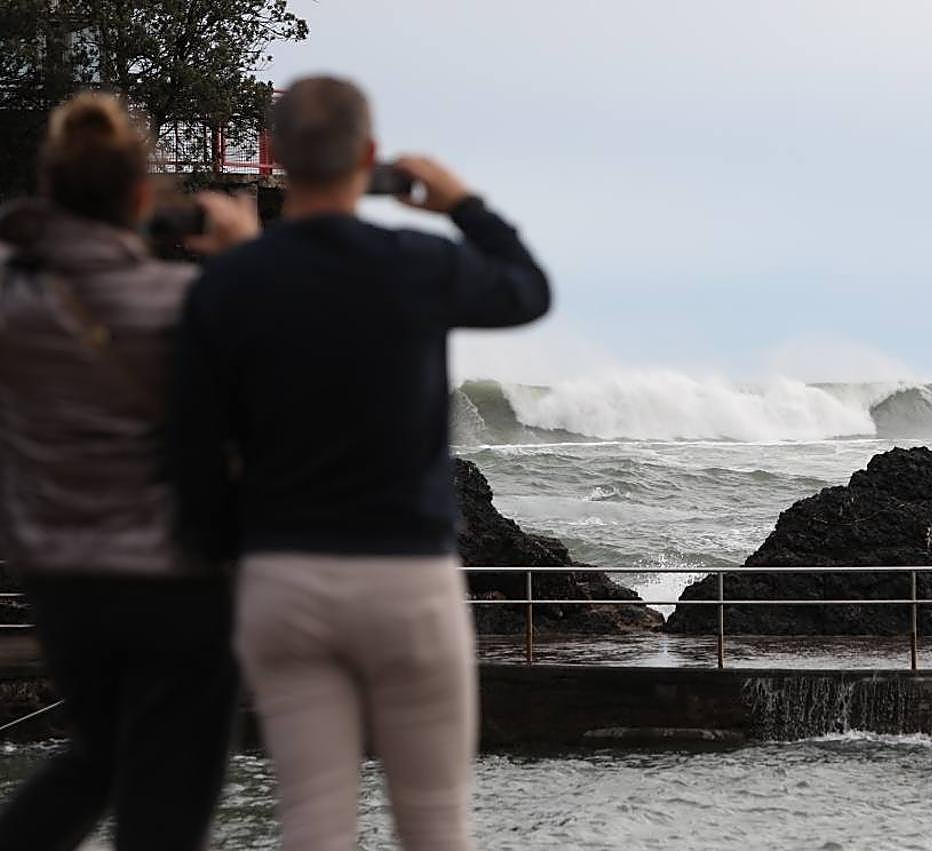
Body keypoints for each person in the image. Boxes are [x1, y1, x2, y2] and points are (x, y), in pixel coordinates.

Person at [170, 76, 552, 851]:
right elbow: (526, 291)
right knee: (435, 821)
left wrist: (221, 562)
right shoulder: (415, 261)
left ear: (279, 158)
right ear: (371, 157)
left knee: (313, 825)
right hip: (405, 578)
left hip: (282, 580)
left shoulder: (228, 284)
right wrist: (460, 204)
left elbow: (192, 448)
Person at [0, 92, 259, 850]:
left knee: (96, 756)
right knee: (168, 801)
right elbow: (287, 364)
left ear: (49, 192)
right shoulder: (185, 301)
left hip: (59, 579)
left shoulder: (15, 301)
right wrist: (246, 256)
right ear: (142, 197)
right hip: (176, 580)